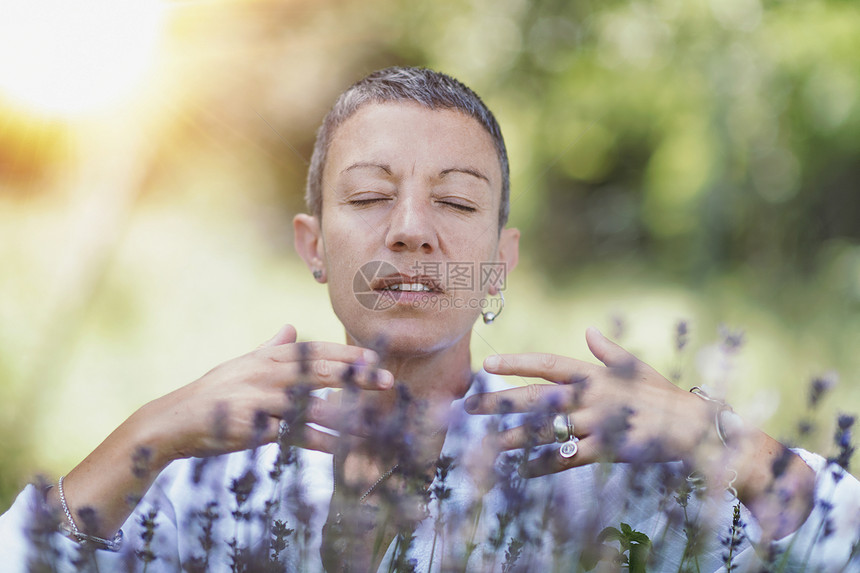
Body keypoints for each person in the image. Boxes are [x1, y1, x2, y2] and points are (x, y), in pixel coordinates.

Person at [1, 67, 858, 572]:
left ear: (499, 259)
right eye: (371, 196)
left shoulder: (604, 467)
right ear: (313, 245)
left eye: (454, 200)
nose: (410, 227)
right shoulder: (210, 471)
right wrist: (147, 433)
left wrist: (723, 441)